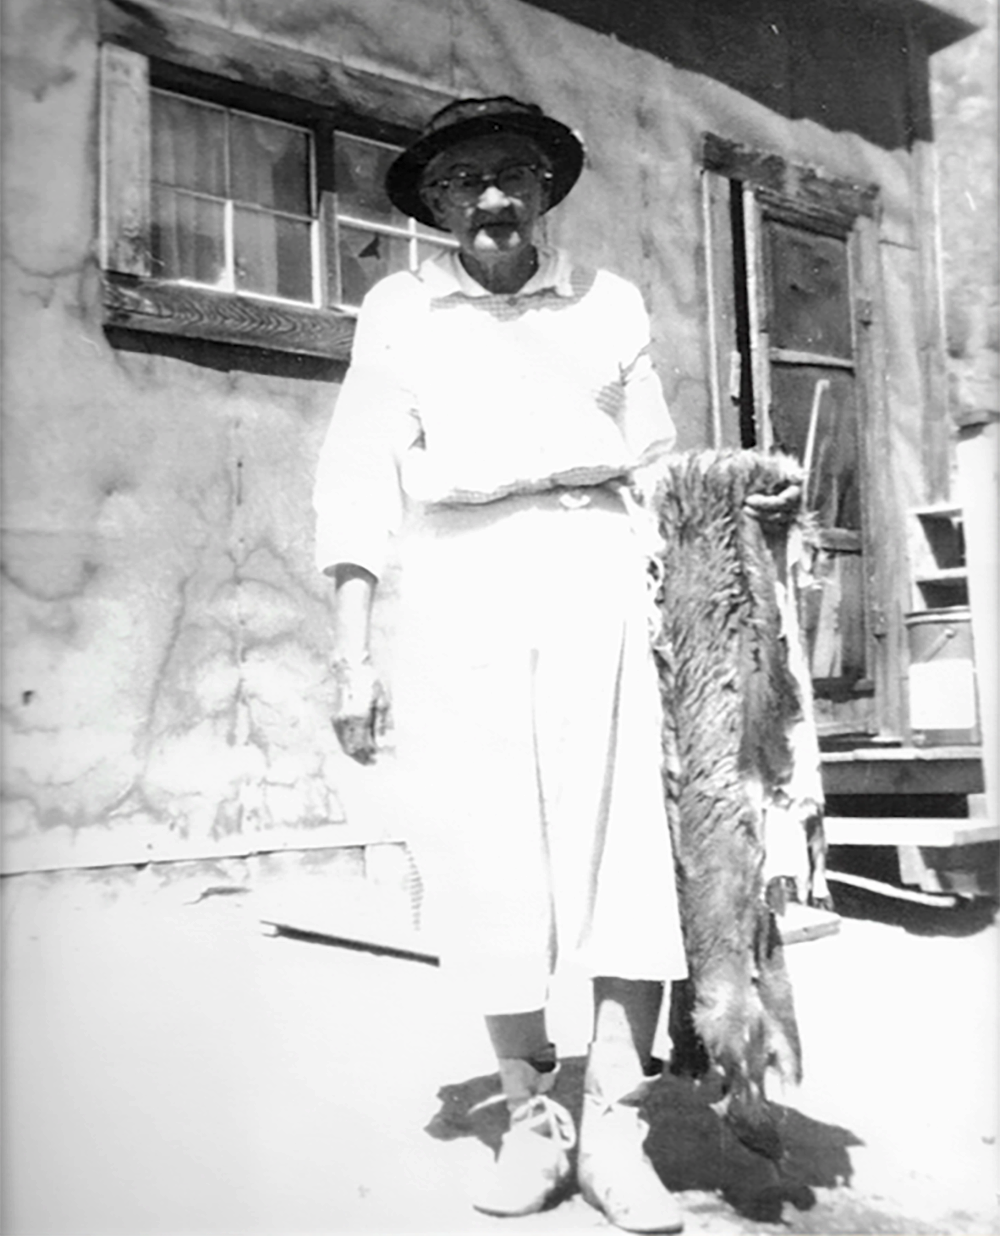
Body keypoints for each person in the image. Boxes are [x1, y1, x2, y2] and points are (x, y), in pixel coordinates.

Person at [312, 95, 692, 1234]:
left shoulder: (607, 302)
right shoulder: (400, 311)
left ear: (544, 193)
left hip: (600, 568)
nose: (490, 198)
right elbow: (356, 478)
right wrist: (352, 651)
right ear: (433, 203)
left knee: (621, 843)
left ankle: (619, 1123)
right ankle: (533, 1116)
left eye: (514, 175)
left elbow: (660, 466)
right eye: (463, 180)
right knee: (485, 856)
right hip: (460, 580)